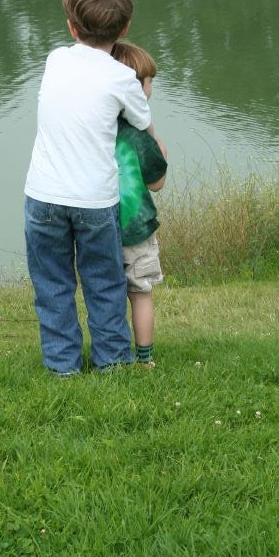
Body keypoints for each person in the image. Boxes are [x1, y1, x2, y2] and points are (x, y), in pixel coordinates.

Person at [24, 0, 152, 376]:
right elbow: (141, 118)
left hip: (43, 195)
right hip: (96, 200)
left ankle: (62, 366)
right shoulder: (122, 78)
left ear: (71, 28)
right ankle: (112, 362)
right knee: (105, 282)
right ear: (125, 29)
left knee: (53, 285)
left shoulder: (55, 60)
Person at [111, 41, 168, 369]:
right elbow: (157, 181)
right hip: (136, 229)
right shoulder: (137, 136)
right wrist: (156, 138)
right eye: (147, 83)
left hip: (99, 224)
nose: (150, 90)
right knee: (141, 292)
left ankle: (112, 352)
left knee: (107, 291)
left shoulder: (97, 130)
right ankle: (144, 359)